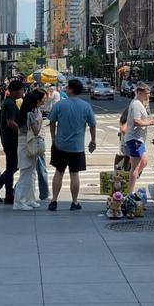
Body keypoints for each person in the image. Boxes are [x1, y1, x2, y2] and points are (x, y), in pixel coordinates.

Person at [47, 78, 96, 211]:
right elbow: (92, 125)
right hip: (77, 147)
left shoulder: (60, 105)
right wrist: (93, 140)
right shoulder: (86, 106)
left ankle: (54, 200)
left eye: (67, 87)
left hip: (60, 145)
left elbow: (51, 122)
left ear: (71, 89)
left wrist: (53, 138)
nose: (66, 89)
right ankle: (74, 202)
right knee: (74, 174)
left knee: (59, 172)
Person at [0, 79, 25, 204]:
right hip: (11, 139)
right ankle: (7, 194)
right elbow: (10, 122)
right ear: (15, 91)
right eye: (21, 90)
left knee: (13, 166)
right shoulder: (10, 104)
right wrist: (22, 132)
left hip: (9, 138)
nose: (22, 92)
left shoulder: (10, 102)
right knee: (12, 166)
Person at [13, 89, 46, 211]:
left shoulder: (22, 113)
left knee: (30, 173)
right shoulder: (31, 115)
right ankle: (19, 201)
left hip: (23, 144)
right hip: (28, 145)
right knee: (26, 174)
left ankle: (29, 199)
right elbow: (36, 130)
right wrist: (40, 120)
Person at [124, 82, 154, 194]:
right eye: (146, 93)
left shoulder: (140, 104)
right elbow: (137, 122)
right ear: (139, 93)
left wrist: (146, 107)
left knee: (144, 161)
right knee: (136, 166)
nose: (148, 96)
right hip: (135, 139)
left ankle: (132, 180)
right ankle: (130, 192)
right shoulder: (136, 104)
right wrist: (150, 122)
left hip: (139, 139)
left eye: (149, 93)